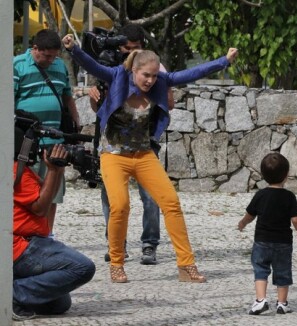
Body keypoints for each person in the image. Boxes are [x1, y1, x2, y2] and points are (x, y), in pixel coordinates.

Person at [62, 33, 238, 283]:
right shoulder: (117, 75)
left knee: (171, 203)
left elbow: (192, 74)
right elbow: (92, 66)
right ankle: (116, 263)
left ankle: (186, 266)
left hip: (144, 154)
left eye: (155, 76)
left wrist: (224, 61)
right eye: (146, 75)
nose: (150, 80)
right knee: (120, 206)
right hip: (113, 154)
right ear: (134, 70)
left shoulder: (161, 82)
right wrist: (73, 49)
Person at [87, 24, 175, 265]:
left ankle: (149, 245)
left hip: (144, 141)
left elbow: (170, 103)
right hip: (113, 143)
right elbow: (98, 109)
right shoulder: (110, 67)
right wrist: (94, 95)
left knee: (151, 195)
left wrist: (156, 89)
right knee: (112, 197)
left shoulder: (155, 67)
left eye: (134, 49)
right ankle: (117, 244)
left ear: (142, 48)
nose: (129, 54)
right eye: (126, 50)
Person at [12, 110, 95, 321]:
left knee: (59, 302)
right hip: (22, 247)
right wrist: (52, 171)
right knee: (83, 267)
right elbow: (41, 207)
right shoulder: (16, 171)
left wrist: (56, 170)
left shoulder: (17, 170)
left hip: (21, 245)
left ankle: (15, 290)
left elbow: (42, 198)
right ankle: (11, 295)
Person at [13, 29, 81, 236]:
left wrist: (76, 118)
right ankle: (23, 234)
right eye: (47, 56)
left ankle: (46, 235)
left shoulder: (59, 66)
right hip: (26, 141)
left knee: (53, 193)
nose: (51, 60)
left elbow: (67, 96)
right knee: (27, 192)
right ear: (35, 49)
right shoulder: (16, 65)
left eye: (55, 56)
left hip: (55, 139)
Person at [238, 153, 297, 315]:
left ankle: (261, 300)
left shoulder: (260, 195)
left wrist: (242, 224)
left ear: (263, 175)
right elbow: (295, 220)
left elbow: (250, 215)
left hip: (262, 241)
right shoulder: (289, 197)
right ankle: (282, 303)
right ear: (286, 175)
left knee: (260, 269)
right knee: (282, 271)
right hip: (283, 243)